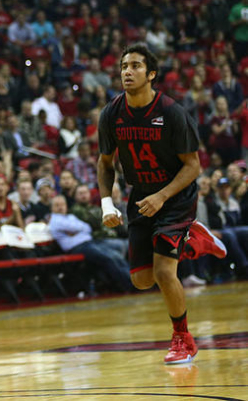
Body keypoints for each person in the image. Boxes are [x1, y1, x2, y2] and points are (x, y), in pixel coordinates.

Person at [97, 43, 227, 365]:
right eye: (124, 66)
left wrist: (162, 196)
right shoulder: (111, 114)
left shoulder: (171, 112)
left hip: (175, 197)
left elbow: (193, 166)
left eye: (135, 66)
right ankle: (194, 240)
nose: (127, 71)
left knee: (164, 272)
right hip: (141, 196)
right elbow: (105, 162)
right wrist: (106, 204)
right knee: (141, 280)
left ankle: (183, 339)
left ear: (151, 74)